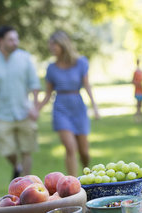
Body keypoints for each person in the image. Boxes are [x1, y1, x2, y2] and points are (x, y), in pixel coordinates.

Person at [38, 30, 99, 177]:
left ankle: (86, 173)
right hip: (60, 108)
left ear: (63, 44)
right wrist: (37, 109)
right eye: (50, 45)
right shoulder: (51, 68)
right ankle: (73, 184)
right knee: (70, 148)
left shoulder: (81, 62)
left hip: (78, 106)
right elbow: (48, 94)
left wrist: (95, 107)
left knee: (84, 152)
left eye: (54, 44)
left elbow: (87, 85)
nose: (51, 48)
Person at [0, 25, 40, 179]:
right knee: (7, 151)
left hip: (24, 111)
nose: (15, 42)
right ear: (1, 41)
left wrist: (35, 106)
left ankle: (27, 182)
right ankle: (16, 165)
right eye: (11, 39)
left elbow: (34, 83)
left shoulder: (25, 58)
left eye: (16, 39)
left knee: (27, 149)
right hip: (3, 113)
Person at [132, 59, 142, 123]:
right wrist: (137, 84)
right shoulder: (135, 72)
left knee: (140, 105)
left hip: (141, 91)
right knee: (138, 105)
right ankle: (137, 119)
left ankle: (140, 118)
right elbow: (133, 81)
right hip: (137, 91)